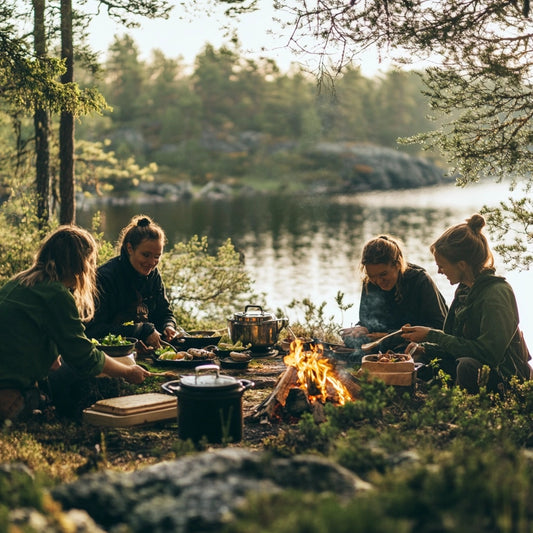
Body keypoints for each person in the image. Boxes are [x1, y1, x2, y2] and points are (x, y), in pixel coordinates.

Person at [0, 226, 150, 422]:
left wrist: (49, 354)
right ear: (81, 265)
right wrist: (128, 372)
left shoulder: (18, 282)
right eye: (90, 262)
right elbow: (85, 357)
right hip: (11, 390)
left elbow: (23, 333)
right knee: (77, 376)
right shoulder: (56, 294)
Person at [401, 214, 531, 393]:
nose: (439, 271)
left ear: (461, 264)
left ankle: (468, 412)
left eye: (442, 265)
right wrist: (424, 348)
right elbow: (455, 344)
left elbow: (488, 355)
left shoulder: (497, 294)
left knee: (466, 366)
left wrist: (431, 335)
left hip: (507, 377)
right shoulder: (464, 291)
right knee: (420, 359)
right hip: (477, 366)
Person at [85, 215, 183, 351]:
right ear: (130, 248)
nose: (151, 263)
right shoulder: (104, 278)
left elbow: (164, 313)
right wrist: (142, 330)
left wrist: (169, 326)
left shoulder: (154, 276)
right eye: (146, 255)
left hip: (148, 354)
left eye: (157, 256)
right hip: (111, 355)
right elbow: (93, 331)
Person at [340, 234, 448, 353]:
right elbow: (368, 322)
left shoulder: (420, 280)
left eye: (383, 274)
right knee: (352, 344)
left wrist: (388, 336)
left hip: (416, 346)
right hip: (381, 344)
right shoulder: (370, 283)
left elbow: (440, 327)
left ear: (397, 264)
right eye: (372, 276)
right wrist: (361, 329)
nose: (378, 281)